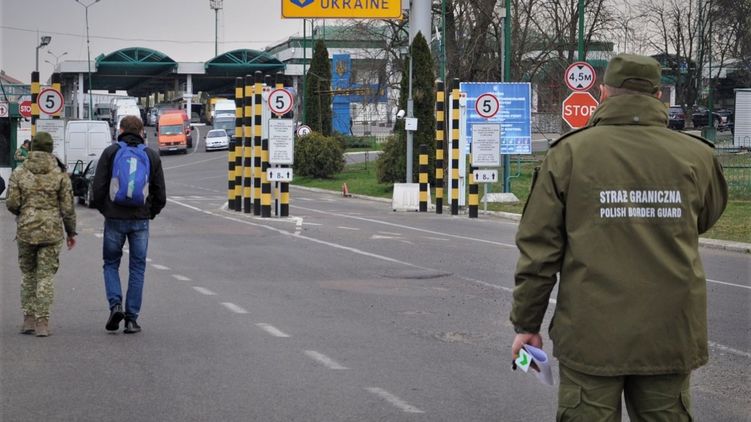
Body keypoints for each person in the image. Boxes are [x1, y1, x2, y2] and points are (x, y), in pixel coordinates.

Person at [510, 54, 727, 421]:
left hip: (590, 335)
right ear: (658, 95)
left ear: (603, 92)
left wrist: (526, 325)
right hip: (669, 331)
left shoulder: (569, 154)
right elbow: (703, 218)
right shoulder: (697, 156)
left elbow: (539, 251)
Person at [92, 115, 166, 334]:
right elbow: (160, 195)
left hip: (114, 218)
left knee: (110, 263)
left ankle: (116, 305)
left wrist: (106, 210)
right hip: (140, 220)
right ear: (142, 131)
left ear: (121, 130)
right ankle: (132, 319)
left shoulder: (110, 152)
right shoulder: (151, 155)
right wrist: (149, 213)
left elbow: (98, 188)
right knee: (137, 267)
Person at [6, 132, 77, 337]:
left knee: (28, 274)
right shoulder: (59, 174)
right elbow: (68, 208)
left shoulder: (20, 172)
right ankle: (42, 323)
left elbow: (11, 202)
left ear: (32, 148)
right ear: (51, 148)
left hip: (26, 230)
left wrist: (24, 213)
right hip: (51, 231)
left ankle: (28, 319)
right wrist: (71, 232)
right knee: (45, 276)